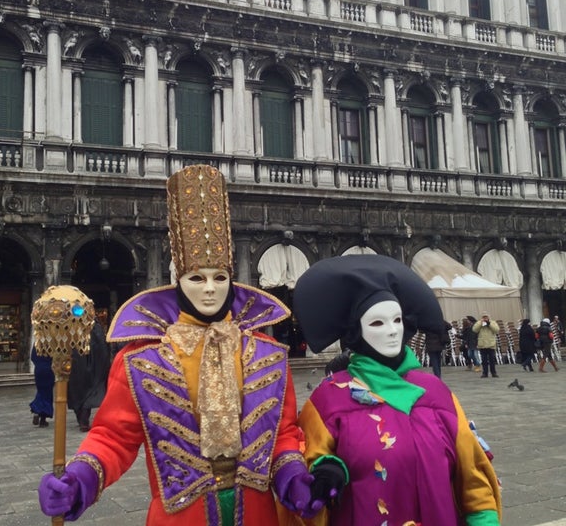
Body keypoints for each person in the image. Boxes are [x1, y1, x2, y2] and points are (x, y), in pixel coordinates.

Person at [38, 164, 318, 525]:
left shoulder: (266, 352)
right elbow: (114, 437)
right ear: (177, 281)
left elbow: (282, 433)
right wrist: (82, 478)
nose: (209, 289)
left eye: (220, 277)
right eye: (196, 278)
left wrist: (292, 478)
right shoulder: (142, 358)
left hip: (259, 514)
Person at [293, 254, 501, 526]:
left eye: (397, 320)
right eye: (377, 323)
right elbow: (306, 466)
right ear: (357, 332)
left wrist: (484, 520)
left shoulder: (436, 393)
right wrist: (326, 470)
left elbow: (471, 476)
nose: (392, 331)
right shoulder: (328, 400)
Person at [67, 319, 111, 431]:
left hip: (77, 365)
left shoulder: (74, 326)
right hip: (90, 366)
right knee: (88, 393)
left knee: (79, 393)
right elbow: (103, 349)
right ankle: (83, 421)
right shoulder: (95, 328)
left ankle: (82, 419)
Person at [29, 345, 55, 427]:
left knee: (40, 391)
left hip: (39, 370)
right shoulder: (52, 343)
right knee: (47, 393)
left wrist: (39, 364)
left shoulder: (37, 344)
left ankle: (37, 411)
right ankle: (43, 419)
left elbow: (33, 357)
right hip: (49, 370)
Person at [473, 312, 500, 378]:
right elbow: (474, 330)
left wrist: (489, 324)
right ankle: (485, 373)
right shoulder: (479, 323)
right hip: (482, 344)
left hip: (491, 344)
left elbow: (497, 330)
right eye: (483, 317)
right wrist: (480, 323)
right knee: (484, 360)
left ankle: (493, 373)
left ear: (488, 317)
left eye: (486, 317)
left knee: (492, 360)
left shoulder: (493, 322)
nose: (485, 318)